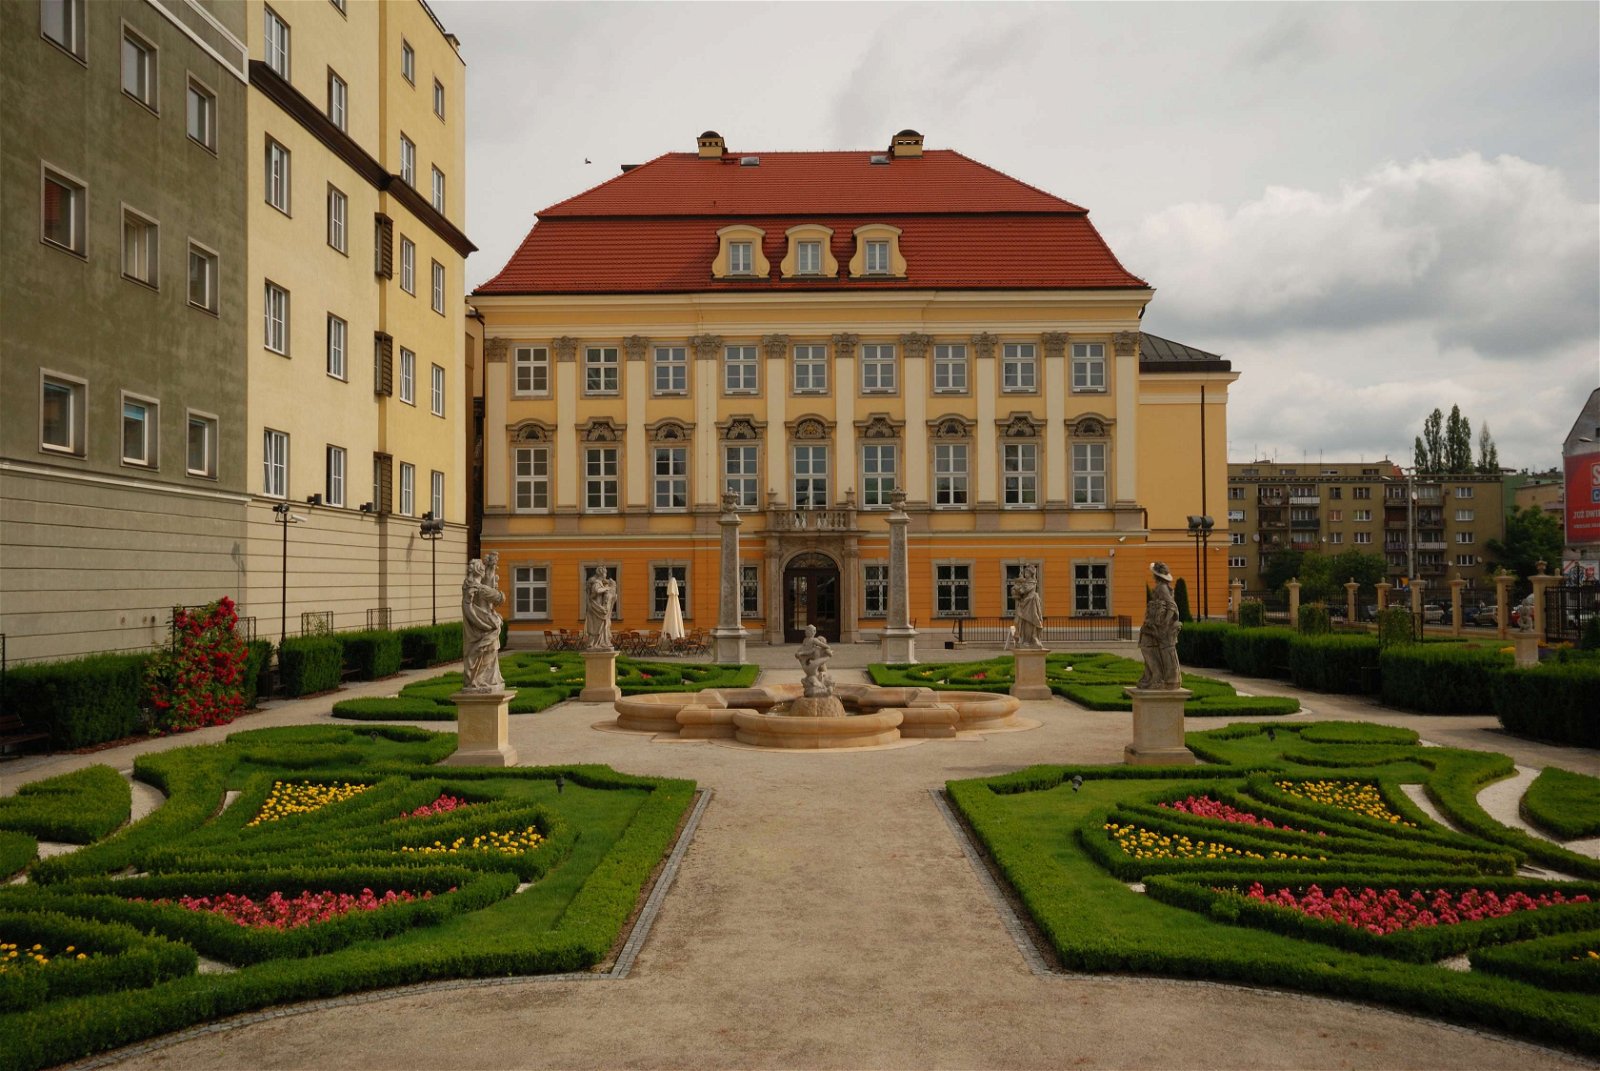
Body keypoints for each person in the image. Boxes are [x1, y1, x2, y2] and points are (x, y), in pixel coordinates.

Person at [460, 559, 506, 692]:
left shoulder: (476, 586)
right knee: (487, 649)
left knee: (489, 650)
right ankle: (478, 680)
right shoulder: (474, 587)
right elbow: (469, 609)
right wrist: (484, 624)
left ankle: (484, 679)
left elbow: (491, 602)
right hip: (480, 628)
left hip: (483, 625)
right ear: (480, 571)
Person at [1137, 561, 1182, 689]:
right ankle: (1152, 676)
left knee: (1146, 647)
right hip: (1154, 624)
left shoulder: (1162, 587)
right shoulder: (1162, 586)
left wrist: (1164, 623)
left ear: (1156, 575)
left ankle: (1156, 676)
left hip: (1158, 626)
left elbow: (1171, 606)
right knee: (1149, 647)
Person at [1010, 565, 1045, 649]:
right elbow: (1020, 592)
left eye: (1027, 572)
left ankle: (1032, 639)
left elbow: (1023, 590)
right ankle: (1025, 640)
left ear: (1031, 573)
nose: (1026, 574)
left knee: (1031, 621)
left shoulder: (1032, 582)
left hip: (1031, 604)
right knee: (1024, 622)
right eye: (1025, 572)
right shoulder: (1025, 582)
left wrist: (1017, 587)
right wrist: (1017, 587)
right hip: (1025, 604)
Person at [795, 624, 834, 697]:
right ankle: (815, 682)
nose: (807, 632)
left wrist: (827, 647)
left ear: (814, 632)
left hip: (814, 657)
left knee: (817, 664)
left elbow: (822, 645)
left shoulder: (814, 640)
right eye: (806, 631)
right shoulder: (805, 640)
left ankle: (820, 683)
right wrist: (799, 652)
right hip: (808, 658)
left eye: (809, 631)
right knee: (811, 670)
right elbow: (803, 648)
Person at [585, 567, 618, 650]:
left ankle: (601, 642)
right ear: (602, 574)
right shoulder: (597, 582)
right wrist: (606, 588)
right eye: (605, 573)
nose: (606, 575)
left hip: (599, 606)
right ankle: (595, 643)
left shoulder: (600, 583)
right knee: (597, 625)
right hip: (596, 607)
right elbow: (596, 591)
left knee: (602, 625)